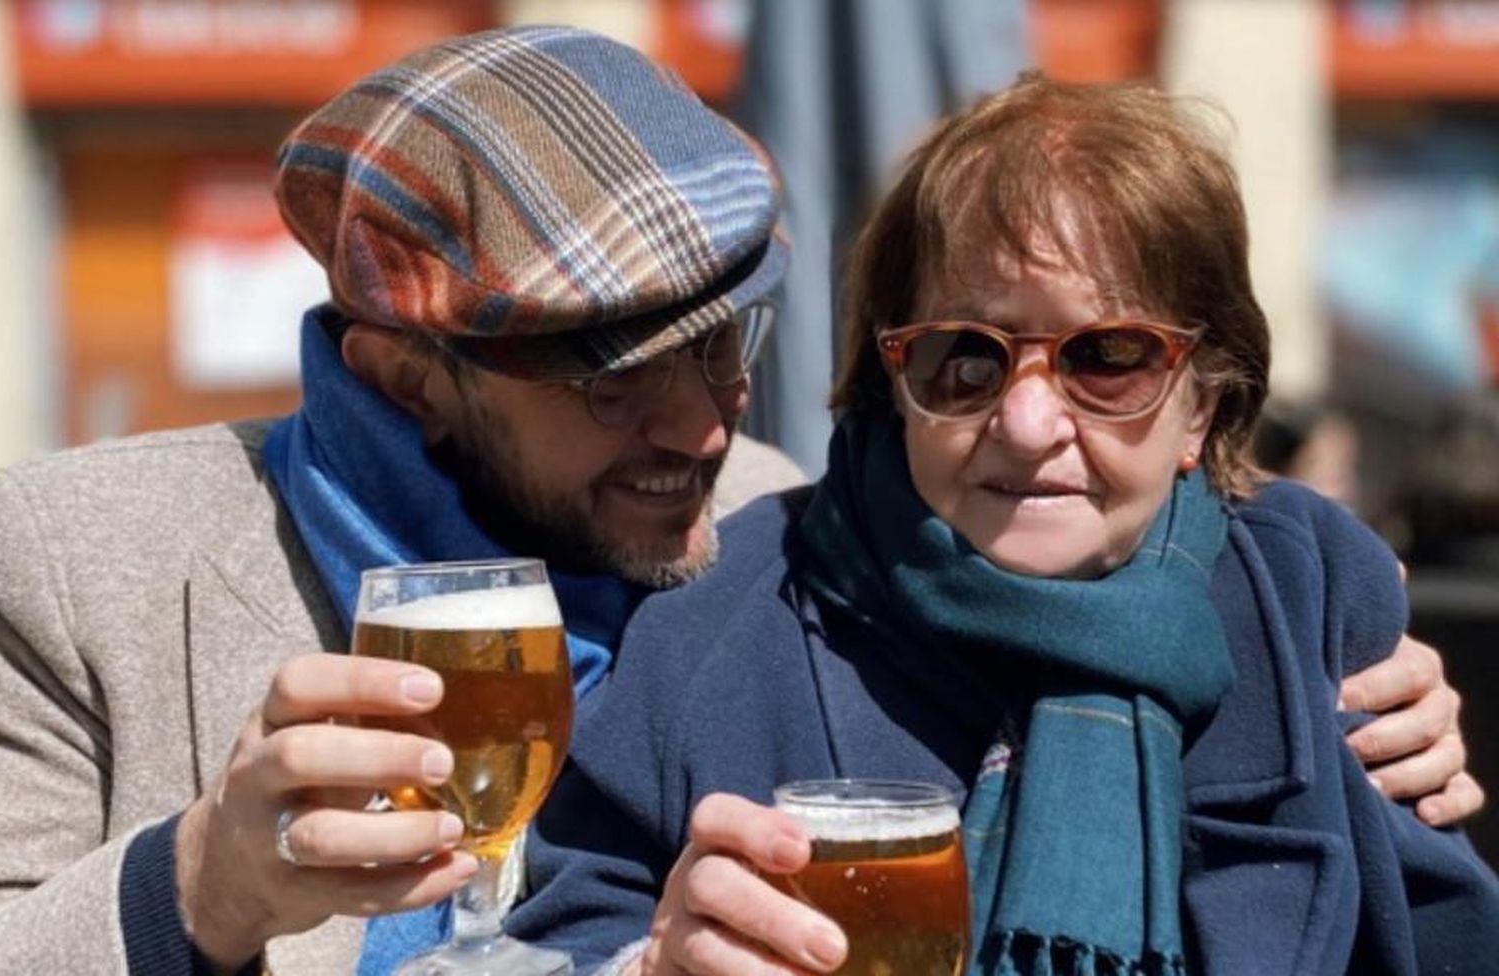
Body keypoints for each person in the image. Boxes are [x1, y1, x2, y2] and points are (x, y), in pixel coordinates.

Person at [0, 29, 1471, 976]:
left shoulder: (802, 537)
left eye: (728, 346)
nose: (703, 417)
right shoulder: (83, 561)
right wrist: (204, 889)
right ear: (402, 372)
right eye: (612, 378)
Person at [508, 74, 1499, 974]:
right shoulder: (714, 623)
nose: (1026, 424)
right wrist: (647, 967)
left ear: (1203, 401)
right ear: (892, 383)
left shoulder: (1306, 594)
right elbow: (567, 930)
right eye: (965, 358)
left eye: (1108, 355)